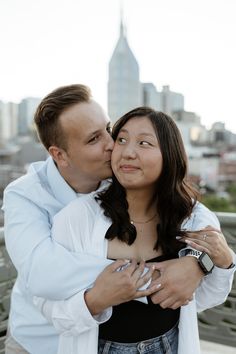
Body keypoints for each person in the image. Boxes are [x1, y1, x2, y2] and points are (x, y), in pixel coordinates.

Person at [2, 85, 234, 354]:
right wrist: (160, 273)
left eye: (109, 129)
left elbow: (192, 212)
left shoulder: (122, 173)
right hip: (38, 340)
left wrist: (196, 261)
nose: (112, 145)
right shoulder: (26, 194)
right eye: (93, 139)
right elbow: (42, 273)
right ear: (59, 155)